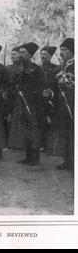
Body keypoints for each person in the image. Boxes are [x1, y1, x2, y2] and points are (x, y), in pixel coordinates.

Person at [8, 42, 46, 166]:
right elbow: (13, 86)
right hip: (21, 103)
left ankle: (35, 158)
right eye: (20, 52)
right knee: (25, 130)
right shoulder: (18, 69)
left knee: (33, 130)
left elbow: (40, 87)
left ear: (30, 54)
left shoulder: (36, 69)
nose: (20, 55)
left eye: (23, 52)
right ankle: (28, 156)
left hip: (33, 104)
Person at [54, 38, 74, 171]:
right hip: (64, 105)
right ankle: (68, 161)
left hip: (73, 104)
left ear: (72, 51)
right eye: (61, 50)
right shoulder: (63, 66)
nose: (61, 53)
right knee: (66, 133)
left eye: (65, 50)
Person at [38, 46, 61, 153]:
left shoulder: (56, 68)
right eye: (41, 54)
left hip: (50, 99)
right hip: (39, 98)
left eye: (45, 54)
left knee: (49, 122)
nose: (43, 56)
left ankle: (49, 146)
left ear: (50, 56)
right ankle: (41, 144)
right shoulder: (38, 67)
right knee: (40, 121)